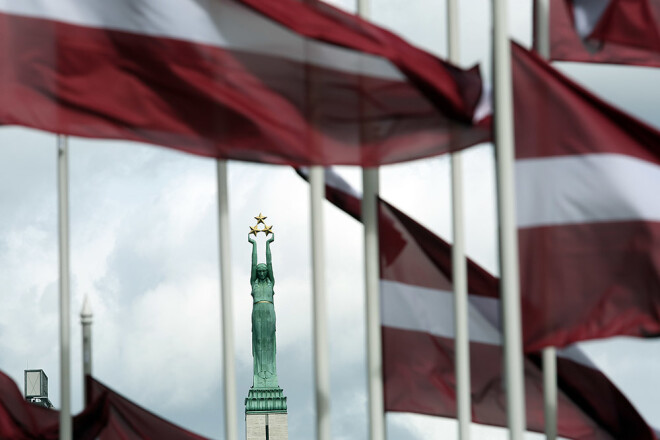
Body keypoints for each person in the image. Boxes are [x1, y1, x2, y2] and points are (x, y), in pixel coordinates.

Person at [248, 232, 277, 388]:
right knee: (258, 341)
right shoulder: (254, 283)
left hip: (269, 311)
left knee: (269, 341)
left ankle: (271, 373)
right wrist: (253, 245)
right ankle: (259, 373)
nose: (261, 272)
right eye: (259, 271)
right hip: (258, 311)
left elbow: (270, 263)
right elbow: (253, 265)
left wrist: (267, 244)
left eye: (263, 271)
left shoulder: (270, 283)